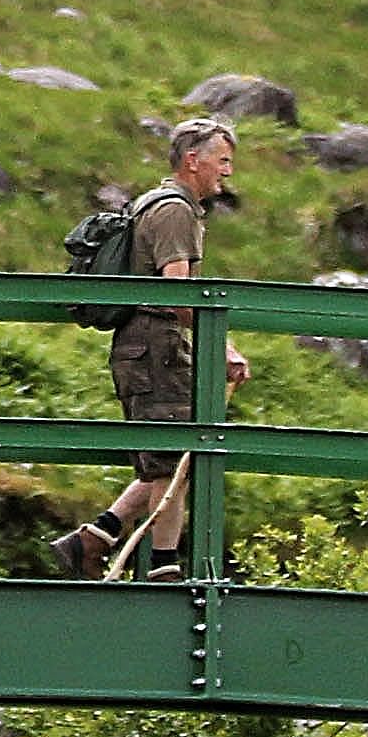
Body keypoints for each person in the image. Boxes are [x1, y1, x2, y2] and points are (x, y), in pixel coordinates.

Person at [52, 115, 252, 579]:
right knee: (175, 454)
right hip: (155, 346)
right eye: (222, 161)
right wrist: (221, 348)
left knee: (173, 456)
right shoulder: (175, 210)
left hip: (146, 347)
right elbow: (177, 293)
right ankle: (163, 568)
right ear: (192, 160)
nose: (227, 171)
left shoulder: (155, 203)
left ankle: (97, 537)